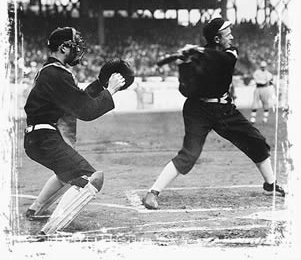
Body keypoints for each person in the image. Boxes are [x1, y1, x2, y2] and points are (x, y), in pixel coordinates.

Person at [142, 17, 285, 210]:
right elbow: (185, 90)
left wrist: (199, 52)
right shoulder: (195, 58)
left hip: (224, 109)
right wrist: (186, 64)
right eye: (228, 34)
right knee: (189, 154)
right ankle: (153, 193)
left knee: (256, 140)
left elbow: (222, 60)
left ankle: (270, 183)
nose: (232, 36)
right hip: (197, 111)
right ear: (217, 39)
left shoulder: (229, 53)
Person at [23, 27, 125, 236]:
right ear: (63, 48)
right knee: (90, 179)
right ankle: (50, 230)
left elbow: (77, 99)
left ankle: (36, 209)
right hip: (44, 137)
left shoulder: (51, 71)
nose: (78, 50)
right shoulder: (56, 74)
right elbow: (85, 111)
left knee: (66, 172)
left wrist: (99, 84)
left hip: (38, 136)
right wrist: (111, 91)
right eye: (74, 46)